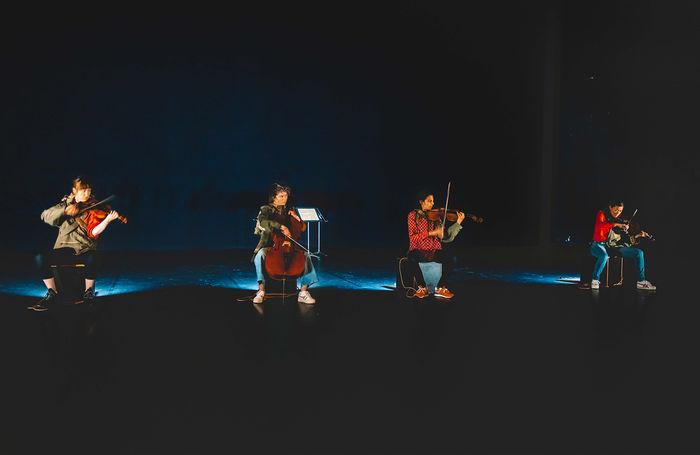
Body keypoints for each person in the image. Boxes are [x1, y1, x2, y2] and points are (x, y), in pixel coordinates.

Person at [28, 176, 121, 311]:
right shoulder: (65, 205)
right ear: (74, 191)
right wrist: (65, 211)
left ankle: (89, 292)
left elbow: (93, 232)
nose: (87, 194)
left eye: (89, 190)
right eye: (83, 190)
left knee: (93, 257)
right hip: (63, 247)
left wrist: (107, 220)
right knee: (40, 258)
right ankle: (52, 292)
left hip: (84, 248)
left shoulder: (94, 207)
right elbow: (45, 216)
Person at [252, 183, 318, 304]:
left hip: (290, 245)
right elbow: (263, 222)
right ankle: (261, 290)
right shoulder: (266, 209)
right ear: (274, 197)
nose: (284, 198)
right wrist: (281, 226)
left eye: (286, 196)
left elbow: (302, 229)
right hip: (271, 245)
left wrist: (297, 218)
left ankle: (303, 292)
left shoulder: (289, 210)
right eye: (281, 196)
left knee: (306, 256)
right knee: (259, 255)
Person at [406, 191, 466, 299]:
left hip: (434, 250)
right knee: (411, 257)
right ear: (421, 202)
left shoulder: (437, 217)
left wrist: (458, 223)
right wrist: (432, 233)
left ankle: (441, 287)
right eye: (429, 201)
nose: (432, 204)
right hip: (418, 250)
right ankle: (422, 288)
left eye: (433, 201)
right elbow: (412, 237)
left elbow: (446, 238)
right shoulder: (413, 215)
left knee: (451, 259)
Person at [590, 199, 656, 290]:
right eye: (615, 210)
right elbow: (600, 227)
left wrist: (637, 235)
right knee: (604, 256)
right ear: (610, 207)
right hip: (600, 245)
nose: (618, 213)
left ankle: (641, 281)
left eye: (620, 211)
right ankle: (595, 280)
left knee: (639, 253)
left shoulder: (620, 221)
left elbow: (624, 241)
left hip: (613, 247)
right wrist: (616, 224)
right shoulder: (602, 214)